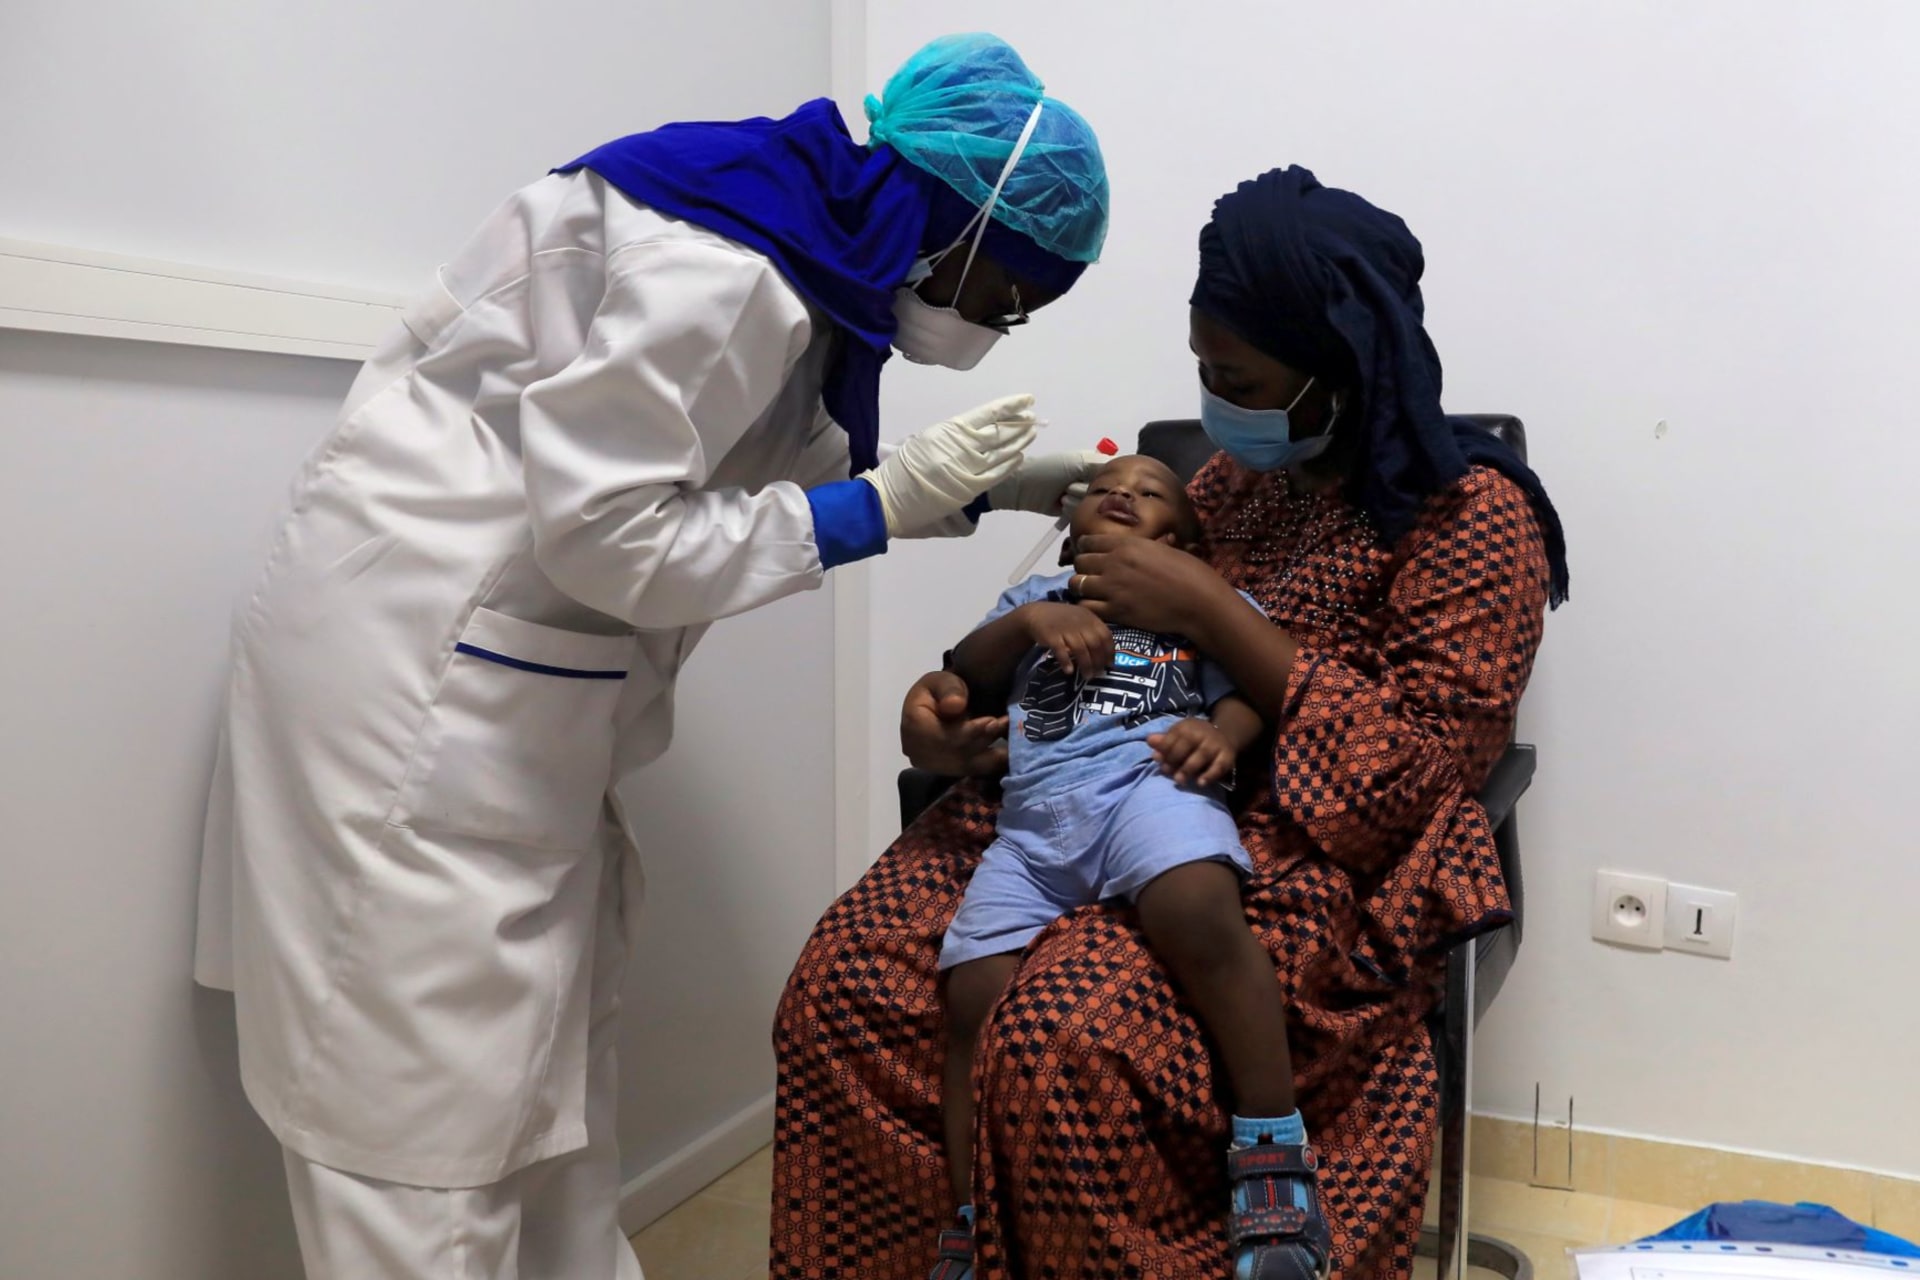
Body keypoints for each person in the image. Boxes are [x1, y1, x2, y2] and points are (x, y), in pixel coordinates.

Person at [190, 32, 1109, 1280]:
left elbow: (755, 458)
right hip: (418, 684)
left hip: (508, 688)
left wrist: (999, 489)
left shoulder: (807, 240)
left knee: (543, 1081)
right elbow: (610, 531)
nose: (995, 328)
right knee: (416, 1119)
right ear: (960, 219)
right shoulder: (726, 259)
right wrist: (878, 511)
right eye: (1006, 294)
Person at [772, 165, 1569, 1280]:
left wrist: (1211, 615)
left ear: (1335, 370)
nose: (1213, 404)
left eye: (1235, 376)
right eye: (1202, 366)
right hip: (1067, 794)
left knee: (1071, 1038)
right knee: (847, 984)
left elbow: (1423, 773)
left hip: (1300, 850)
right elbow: (1080, 637)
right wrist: (958, 704)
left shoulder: (1472, 519)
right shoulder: (1236, 483)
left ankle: (1263, 1186)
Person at [934, 452, 1321, 1280]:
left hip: (1149, 786)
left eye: (1149, 494)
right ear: (1071, 532)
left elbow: (1251, 691)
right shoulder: (1033, 600)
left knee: (1193, 903)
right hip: (1034, 824)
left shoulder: (1196, 609)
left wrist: (1225, 737)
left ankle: (1270, 1146)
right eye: (1108, 489)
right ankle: (967, 1215)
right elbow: (964, 670)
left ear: (1180, 542)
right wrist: (1030, 624)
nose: (1123, 493)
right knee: (971, 994)